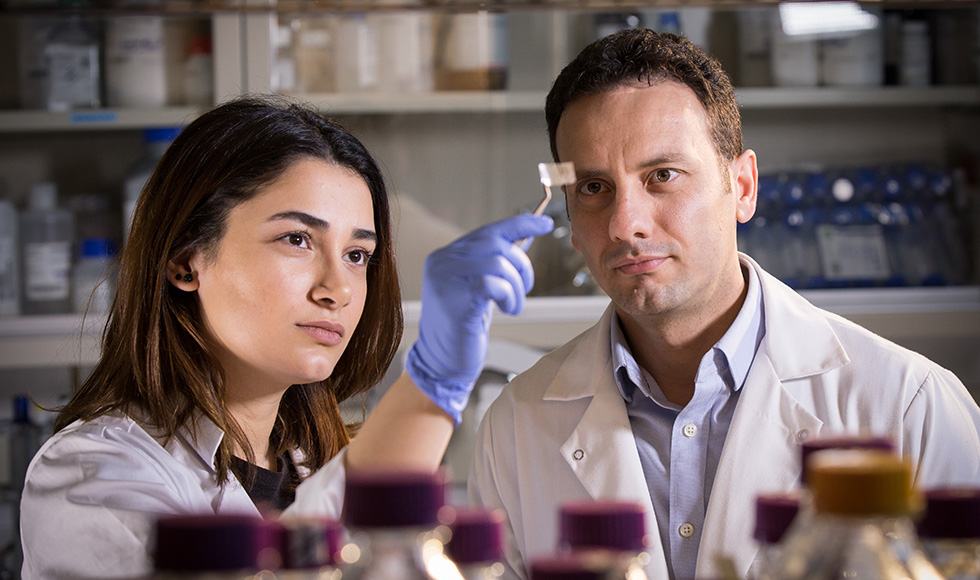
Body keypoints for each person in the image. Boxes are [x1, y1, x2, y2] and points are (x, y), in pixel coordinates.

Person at [467, 28, 980, 580]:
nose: (624, 224)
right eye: (593, 188)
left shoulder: (909, 404)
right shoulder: (516, 425)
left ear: (742, 186)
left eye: (662, 176)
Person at [20, 95, 553, 580]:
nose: (337, 289)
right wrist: (429, 388)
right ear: (186, 262)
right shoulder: (95, 476)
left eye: (356, 255)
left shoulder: (309, 463)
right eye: (296, 239)